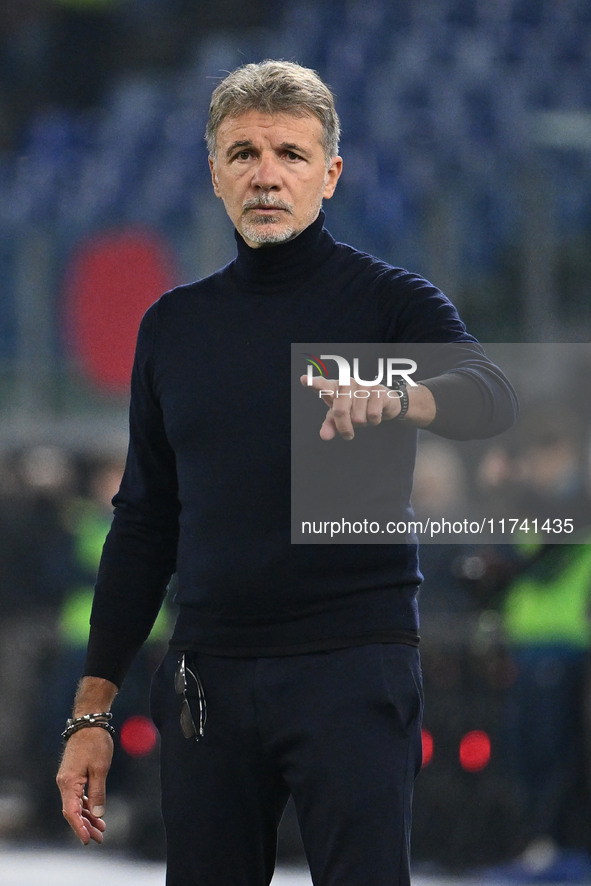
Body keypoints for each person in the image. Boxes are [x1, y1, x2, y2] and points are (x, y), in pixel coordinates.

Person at [56, 60, 518, 886]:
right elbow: (143, 521)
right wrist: (93, 710)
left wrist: (397, 395)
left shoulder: (386, 302)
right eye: (243, 153)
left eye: (291, 155)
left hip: (352, 662)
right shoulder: (172, 325)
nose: (266, 175)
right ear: (214, 173)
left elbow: (487, 395)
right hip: (207, 677)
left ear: (329, 174)